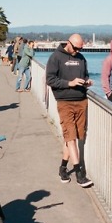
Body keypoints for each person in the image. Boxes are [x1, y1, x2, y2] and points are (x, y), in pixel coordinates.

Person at [45, 33, 93, 187]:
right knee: (70, 137)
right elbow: (50, 80)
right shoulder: (55, 57)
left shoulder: (81, 58)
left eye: (80, 49)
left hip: (81, 101)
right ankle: (80, 174)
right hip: (64, 102)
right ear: (68, 43)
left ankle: (63, 168)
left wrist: (87, 82)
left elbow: (85, 75)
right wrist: (69, 83)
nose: (77, 51)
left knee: (74, 137)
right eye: (75, 48)